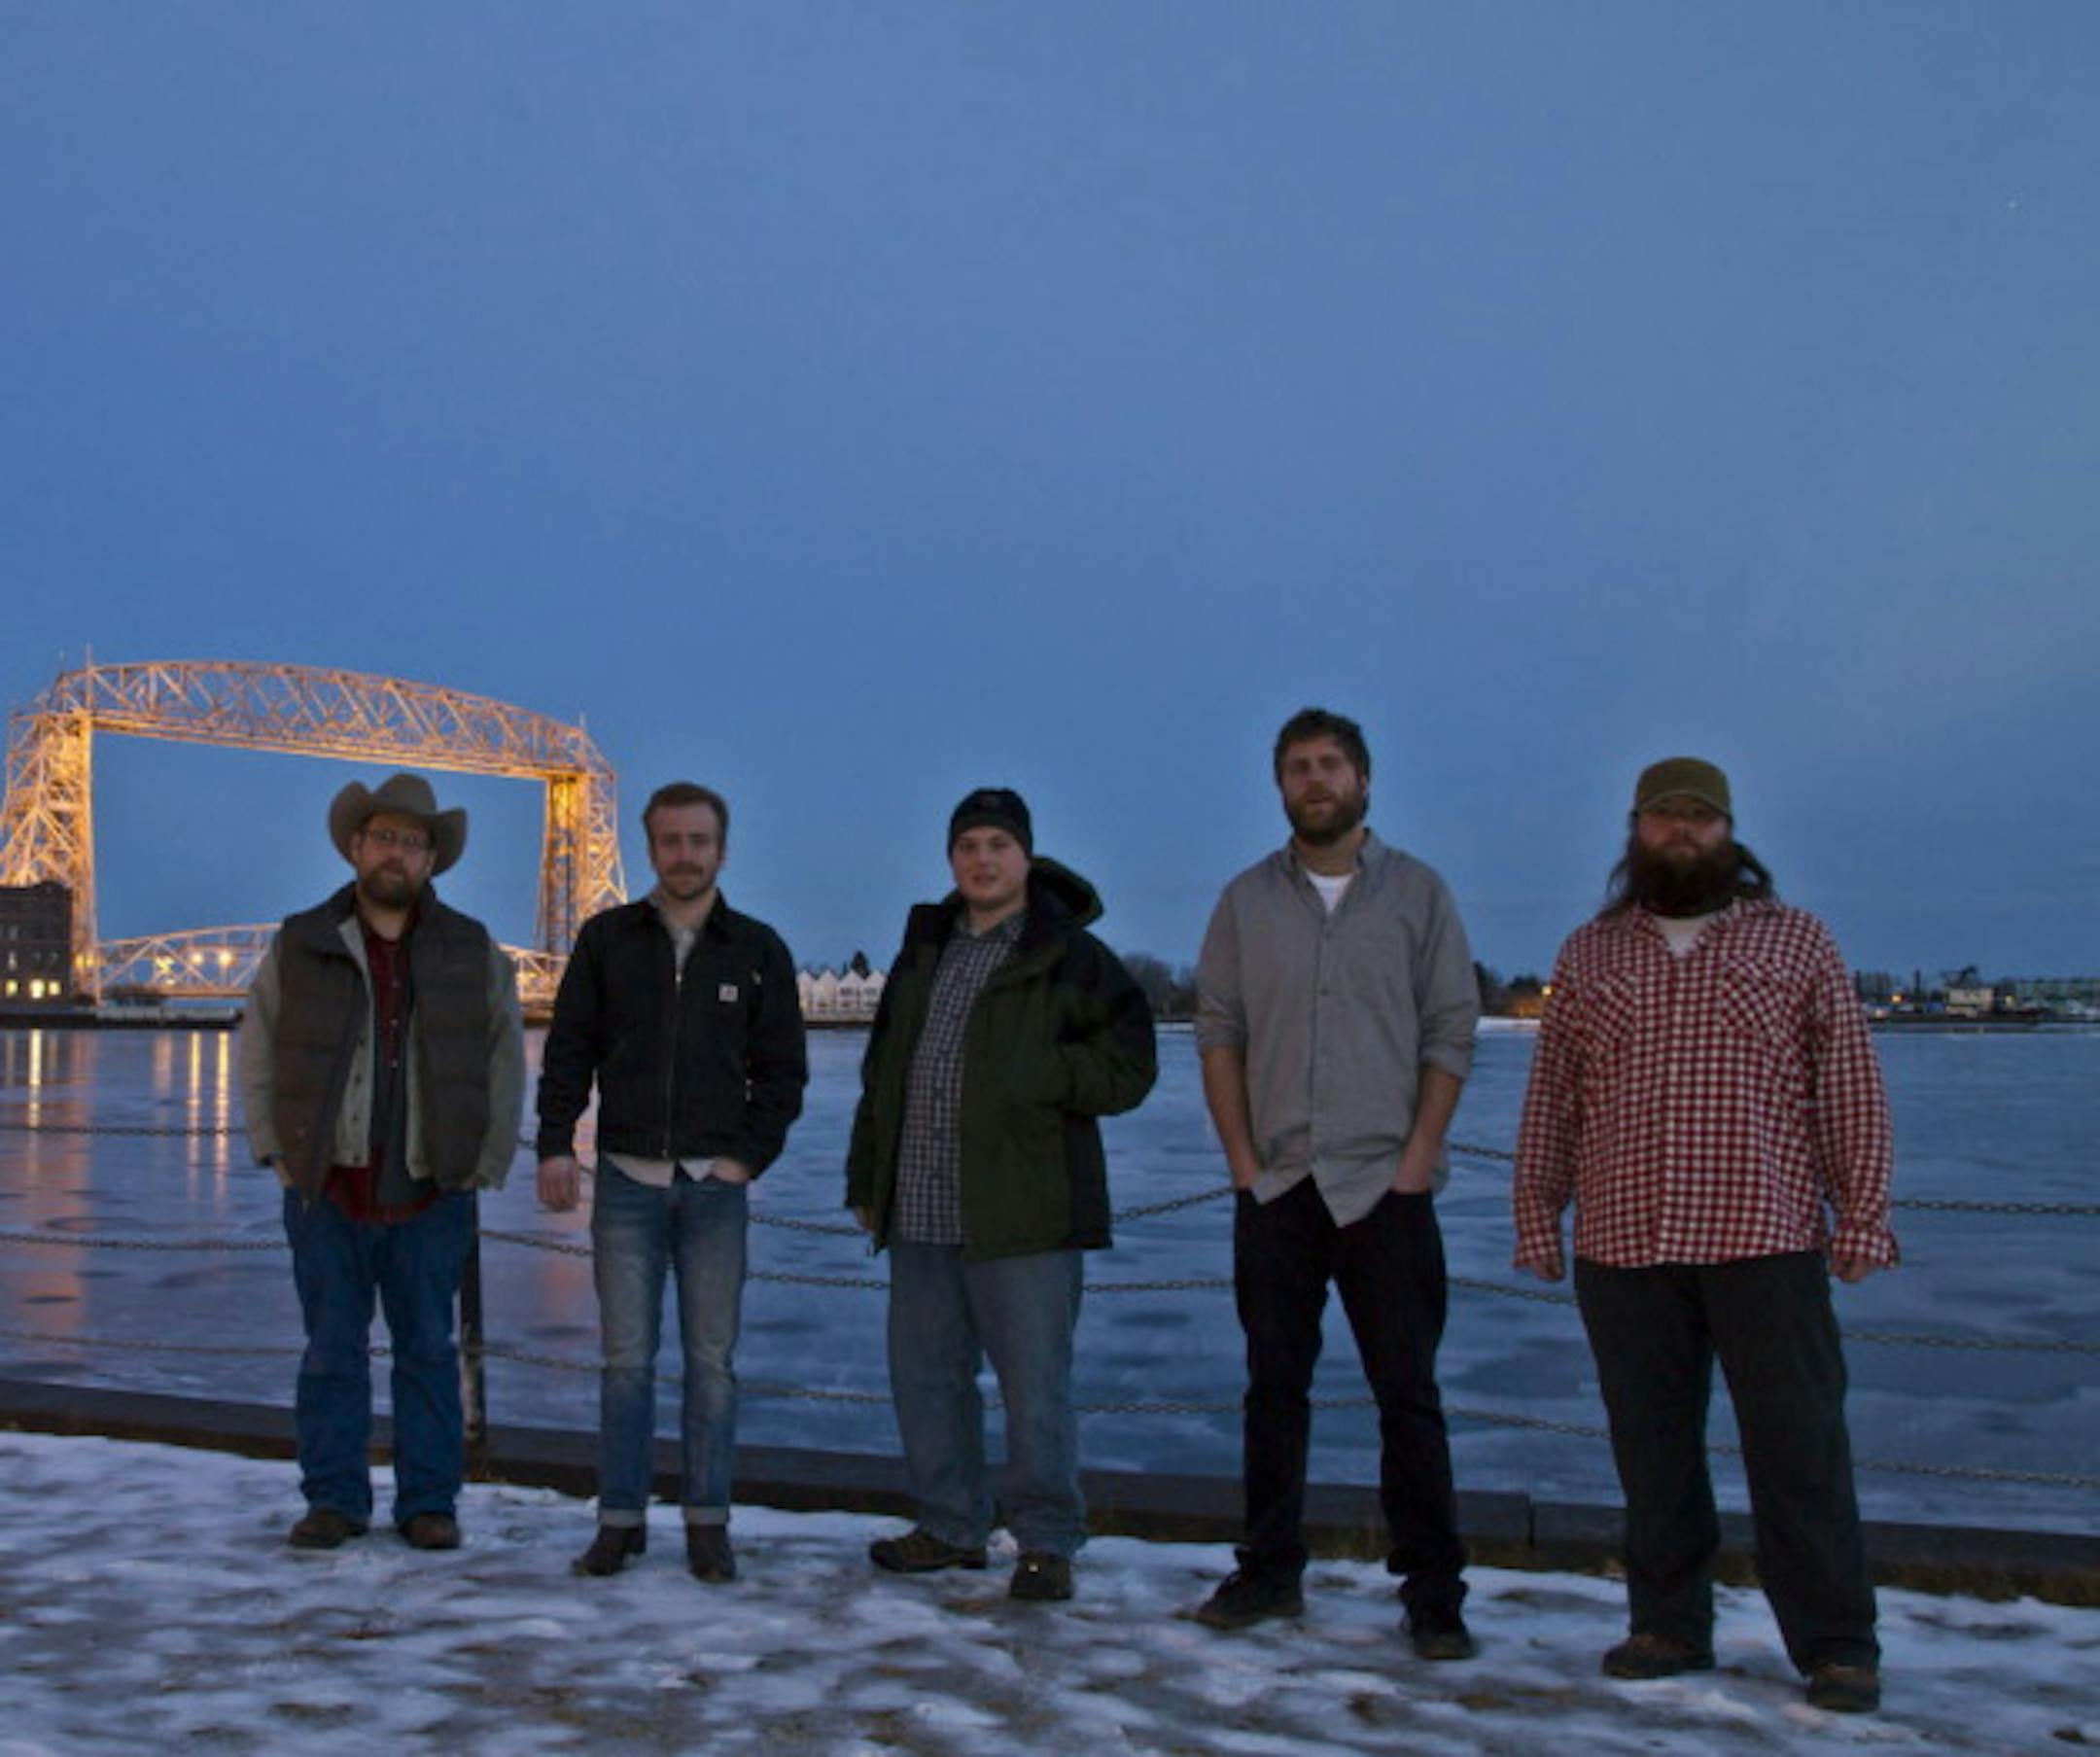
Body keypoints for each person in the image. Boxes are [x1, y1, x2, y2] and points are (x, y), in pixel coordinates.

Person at [1513, 756, 1896, 1715]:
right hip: (1624, 1242)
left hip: (1765, 1236)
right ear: (1635, 828)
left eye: (1700, 817)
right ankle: (1669, 1624)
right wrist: (1536, 1209)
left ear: (1729, 830)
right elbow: (1554, 1097)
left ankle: (1837, 1643)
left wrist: (1863, 1209)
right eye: (1664, 817)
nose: (1681, 832)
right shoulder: (1591, 953)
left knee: (1800, 1449)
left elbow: (1848, 1085)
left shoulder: (1796, 940)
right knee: (1653, 1453)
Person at [1192, 708, 1480, 1659]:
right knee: (1273, 1388)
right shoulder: (1245, 902)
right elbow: (1220, 1032)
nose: (1314, 780)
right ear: (1279, 785)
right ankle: (1270, 1568)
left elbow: (1450, 1028)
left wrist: (1416, 1160)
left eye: (1329, 764)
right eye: (1297, 767)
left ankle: (1433, 1590)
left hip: (1386, 1188)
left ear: (1363, 778)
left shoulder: (1419, 894)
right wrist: (1243, 1165)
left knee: (1409, 1395)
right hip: (1278, 1186)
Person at [846, 787, 1156, 1602]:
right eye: (968, 846)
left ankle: (1046, 1540)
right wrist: (866, 1175)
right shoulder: (926, 949)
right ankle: (951, 1524)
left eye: (997, 845)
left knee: (1034, 1387)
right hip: (919, 1203)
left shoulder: (1071, 956)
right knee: (926, 1378)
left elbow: (1130, 1067)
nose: (982, 860)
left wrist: (1045, 1072)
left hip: (1026, 1210)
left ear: (1026, 855)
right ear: (951, 857)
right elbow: (883, 1070)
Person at [240, 772, 525, 1552]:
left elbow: (504, 1058)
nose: (396, 852)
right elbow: (258, 1043)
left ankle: (429, 1502)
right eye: (384, 837)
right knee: (332, 1351)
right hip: (326, 1187)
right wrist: (274, 1149)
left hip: (434, 1187)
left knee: (427, 1352)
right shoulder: (301, 940)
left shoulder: (472, 947)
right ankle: (334, 1500)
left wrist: (486, 1160)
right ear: (356, 846)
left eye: (412, 841)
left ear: (432, 858)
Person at [537, 781, 808, 1583]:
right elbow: (569, 1049)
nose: (684, 855)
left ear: (721, 849)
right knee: (625, 1362)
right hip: (625, 1181)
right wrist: (556, 1144)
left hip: (715, 1187)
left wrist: (746, 1158)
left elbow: (783, 1072)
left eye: (698, 840)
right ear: (650, 847)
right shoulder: (607, 940)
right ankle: (619, 1520)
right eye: (670, 841)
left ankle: (707, 1522)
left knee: (711, 1365)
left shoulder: (757, 949)